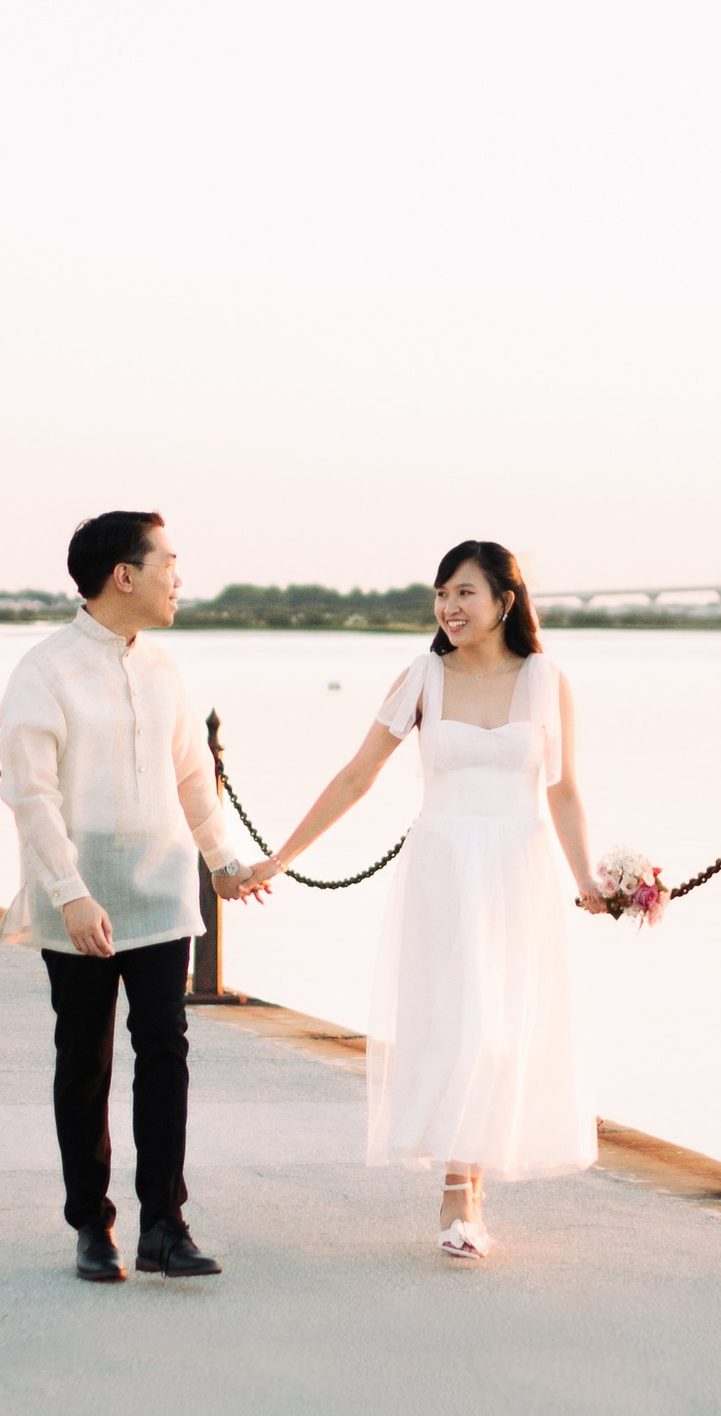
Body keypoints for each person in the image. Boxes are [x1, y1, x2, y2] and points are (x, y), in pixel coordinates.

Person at [253, 539, 604, 1259]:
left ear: (506, 600)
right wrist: (283, 856)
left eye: (465, 592)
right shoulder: (421, 677)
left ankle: (472, 1181)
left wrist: (588, 879)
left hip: (518, 868)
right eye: (442, 593)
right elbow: (357, 776)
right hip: (443, 868)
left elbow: (563, 789)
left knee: (501, 1027)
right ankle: (457, 1189)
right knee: (457, 1021)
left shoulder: (545, 678)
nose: (449, 607)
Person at [0, 511, 261, 1283]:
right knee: (84, 1059)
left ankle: (164, 1224)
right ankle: (92, 1224)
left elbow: (191, 776)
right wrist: (71, 892)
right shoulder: (45, 670)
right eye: (168, 562)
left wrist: (223, 861)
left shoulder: (164, 669)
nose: (179, 577)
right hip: (76, 898)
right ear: (124, 574)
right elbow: (31, 795)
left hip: (159, 891)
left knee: (165, 1051)